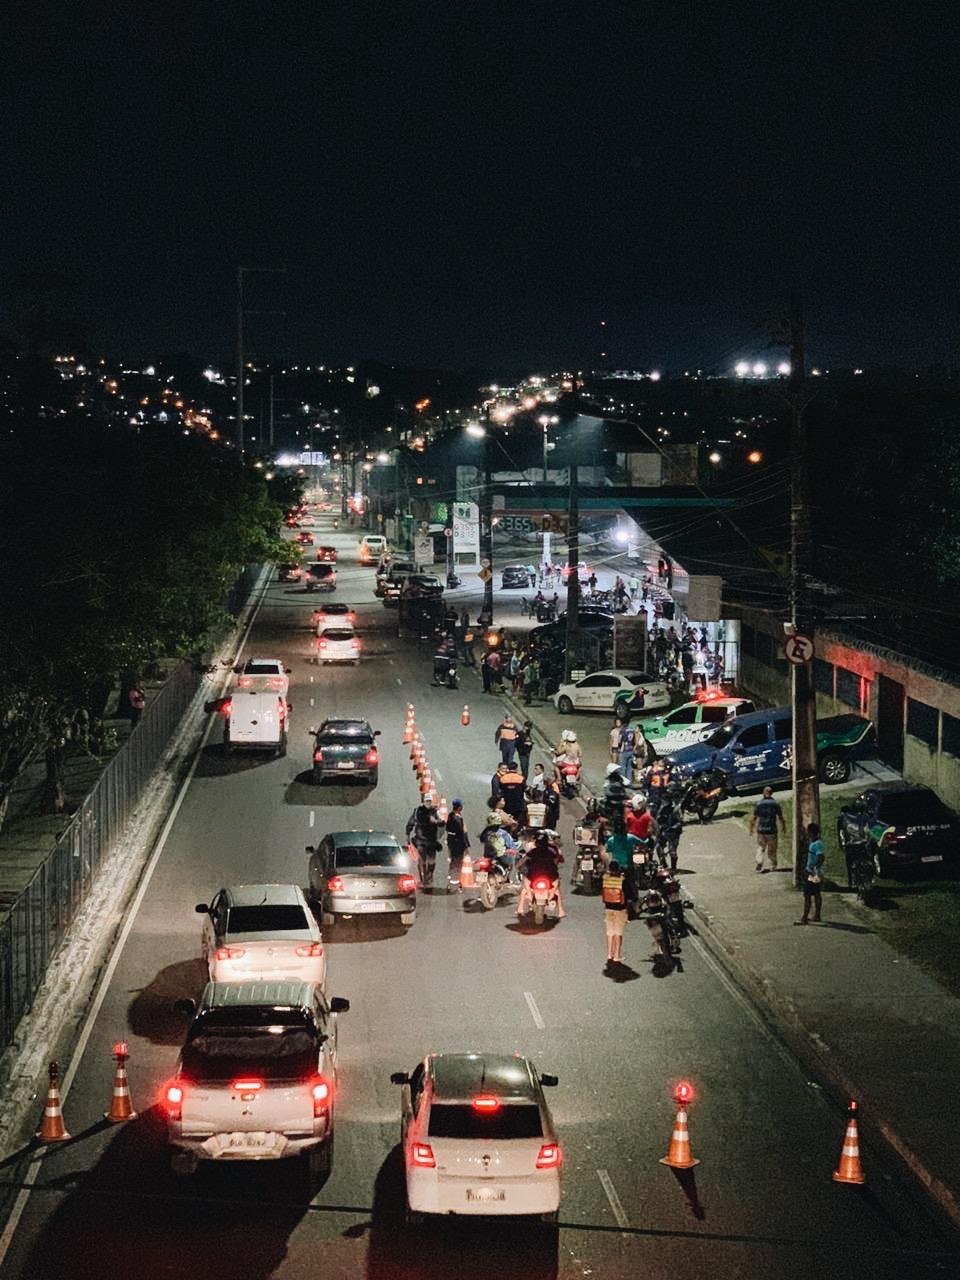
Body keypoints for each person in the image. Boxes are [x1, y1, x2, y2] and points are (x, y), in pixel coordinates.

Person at [518, 831, 566, 918]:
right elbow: (556, 862)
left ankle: (520, 908)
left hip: (533, 876)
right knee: (556, 890)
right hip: (550, 876)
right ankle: (561, 911)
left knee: (525, 889)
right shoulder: (551, 851)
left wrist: (518, 866)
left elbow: (522, 861)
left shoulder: (532, 851)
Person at [405, 796, 443, 888]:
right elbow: (411, 823)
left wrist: (436, 822)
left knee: (431, 860)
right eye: (427, 801)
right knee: (422, 860)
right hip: (421, 841)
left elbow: (442, 823)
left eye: (429, 801)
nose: (428, 803)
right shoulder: (418, 811)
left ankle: (429, 876)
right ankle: (423, 879)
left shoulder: (434, 812)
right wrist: (407, 834)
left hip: (431, 841)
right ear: (423, 801)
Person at [602, 859, 632, 965]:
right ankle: (617, 955)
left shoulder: (605, 879)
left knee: (610, 932)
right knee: (618, 933)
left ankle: (609, 954)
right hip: (620, 909)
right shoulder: (622, 880)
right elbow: (630, 894)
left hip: (608, 908)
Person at [749, 785, 786, 872]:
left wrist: (751, 828)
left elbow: (753, 818)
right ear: (772, 793)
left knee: (761, 847)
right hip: (772, 830)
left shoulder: (759, 804)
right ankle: (773, 865)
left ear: (763, 793)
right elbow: (780, 817)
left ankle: (759, 862)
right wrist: (783, 826)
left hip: (761, 830)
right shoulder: (775, 804)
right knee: (772, 849)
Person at [796, 823, 826, 924]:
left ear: (810, 832)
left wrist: (813, 867)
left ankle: (804, 917)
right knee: (817, 894)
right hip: (816, 873)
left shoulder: (816, 844)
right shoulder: (817, 843)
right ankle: (817, 915)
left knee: (807, 895)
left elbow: (821, 857)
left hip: (812, 874)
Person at [842, 798, 872, 889]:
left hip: (852, 846)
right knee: (868, 863)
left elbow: (845, 833)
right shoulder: (866, 817)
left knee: (850, 864)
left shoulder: (847, 818)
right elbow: (869, 833)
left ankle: (851, 881)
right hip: (863, 845)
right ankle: (868, 880)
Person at [445, 799, 470, 890]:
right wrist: (466, 846)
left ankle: (450, 881)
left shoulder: (450, 815)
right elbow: (461, 833)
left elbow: (447, 828)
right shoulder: (457, 819)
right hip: (458, 843)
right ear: (459, 807)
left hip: (451, 842)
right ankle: (454, 884)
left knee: (453, 861)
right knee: (458, 862)